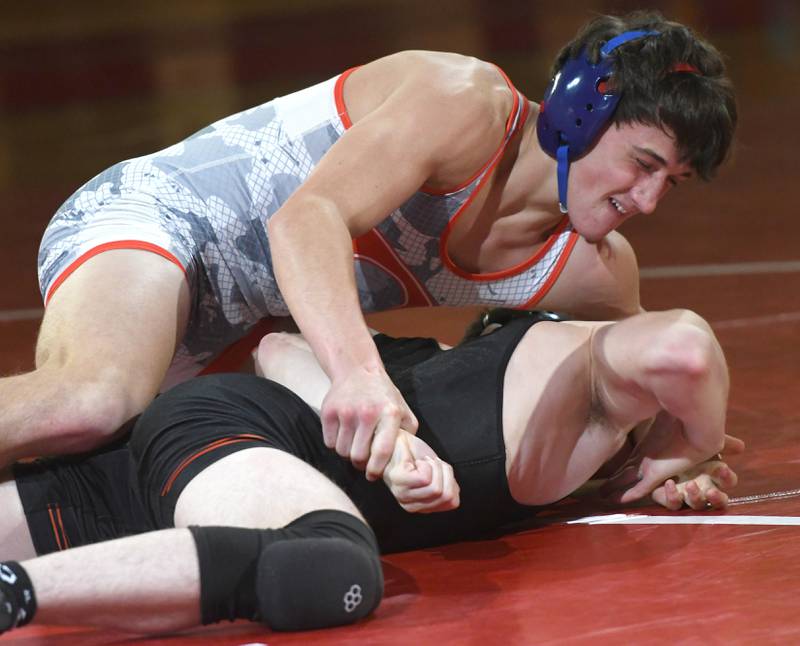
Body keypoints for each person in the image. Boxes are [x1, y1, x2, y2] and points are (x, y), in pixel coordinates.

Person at [3, 10, 737, 480]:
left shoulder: (586, 270)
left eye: (670, 182)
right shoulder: (463, 104)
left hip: (249, 326)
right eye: (643, 164)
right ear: (581, 109)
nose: (646, 201)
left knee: (116, 474)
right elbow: (306, 219)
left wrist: (679, 457)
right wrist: (358, 373)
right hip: (162, 219)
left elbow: (631, 392)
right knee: (93, 400)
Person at [0, 307, 742, 635]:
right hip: (219, 429)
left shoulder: (572, 456)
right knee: (327, 567)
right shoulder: (560, 369)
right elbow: (683, 347)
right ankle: (16, 595)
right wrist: (693, 441)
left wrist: (677, 463)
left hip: (131, 498)